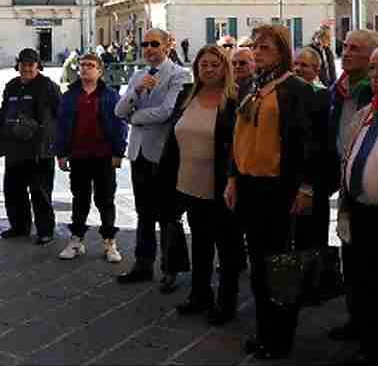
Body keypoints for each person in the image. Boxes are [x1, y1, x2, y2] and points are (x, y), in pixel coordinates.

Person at [224, 24, 314, 360]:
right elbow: (239, 136)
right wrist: (233, 179)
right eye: (255, 47)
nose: (258, 52)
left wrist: (305, 187)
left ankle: (280, 338)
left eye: (265, 47)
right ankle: (265, 332)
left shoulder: (296, 90)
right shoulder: (252, 88)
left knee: (279, 265)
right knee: (259, 265)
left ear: (281, 51)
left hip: (279, 189)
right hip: (249, 186)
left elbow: (307, 145)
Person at [160, 46, 243, 325]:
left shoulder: (234, 100)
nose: (209, 69)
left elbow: (238, 144)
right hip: (188, 183)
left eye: (214, 64)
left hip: (221, 186)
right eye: (203, 64)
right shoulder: (187, 95)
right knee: (201, 244)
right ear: (196, 68)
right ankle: (200, 295)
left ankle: (226, 302)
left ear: (225, 68)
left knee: (228, 248)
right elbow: (173, 138)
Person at [115, 28, 193, 287]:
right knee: (144, 212)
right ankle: (143, 263)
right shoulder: (139, 75)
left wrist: (135, 118)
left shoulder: (179, 75)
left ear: (168, 46)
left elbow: (167, 111)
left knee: (168, 214)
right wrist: (136, 92)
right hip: (138, 153)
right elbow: (119, 110)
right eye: (145, 44)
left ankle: (172, 268)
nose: (148, 48)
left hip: (164, 154)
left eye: (154, 44)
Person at [327, 30, 378, 343]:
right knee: (357, 274)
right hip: (356, 209)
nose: (374, 75)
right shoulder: (365, 111)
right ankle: (360, 326)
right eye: (373, 69)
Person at [54, 53, 128, 263]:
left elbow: (120, 124)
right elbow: (61, 126)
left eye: (90, 65)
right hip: (78, 156)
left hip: (104, 156)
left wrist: (118, 152)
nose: (86, 69)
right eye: (83, 65)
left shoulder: (111, 95)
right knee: (80, 200)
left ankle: (109, 242)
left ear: (100, 71)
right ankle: (76, 240)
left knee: (105, 201)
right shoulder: (69, 95)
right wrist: (61, 153)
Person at [0, 48, 59, 245]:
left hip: (39, 149)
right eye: (23, 64)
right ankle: (19, 226)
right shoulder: (12, 86)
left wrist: (53, 142)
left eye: (30, 64)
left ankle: (45, 230)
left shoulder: (48, 86)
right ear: (18, 65)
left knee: (40, 192)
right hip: (15, 148)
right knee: (13, 190)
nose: (26, 68)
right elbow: (3, 114)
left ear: (37, 66)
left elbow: (59, 115)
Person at [291, 47, 338, 304]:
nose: (298, 69)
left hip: (313, 182)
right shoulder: (290, 95)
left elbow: (320, 145)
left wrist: (309, 186)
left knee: (314, 236)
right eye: (295, 64)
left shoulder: (321, 98)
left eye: (304, 66)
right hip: (292, 181)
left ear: (316, 71)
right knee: (297, 236)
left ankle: (314, 287)